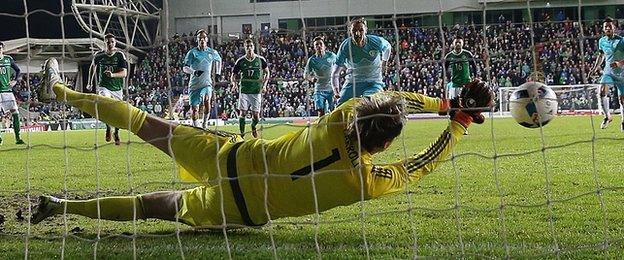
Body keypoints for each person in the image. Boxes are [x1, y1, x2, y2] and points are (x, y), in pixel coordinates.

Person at [32, 57, 492, 228]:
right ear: (387, 147)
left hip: (232, 156)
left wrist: (443, 104)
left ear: (362, 114)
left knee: (143, 122)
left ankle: (62, 92)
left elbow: (391, 99)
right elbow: (423, 164)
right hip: (241, 208)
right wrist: (460, 124)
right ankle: (60, 208)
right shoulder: (367, 181)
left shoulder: (338, 119)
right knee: (155, 207)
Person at [332, 17, 391, 105]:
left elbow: (388, 47)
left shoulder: (376, 41)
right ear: (350, 31)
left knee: (370, 103)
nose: (357, 33)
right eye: (354, 30)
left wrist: (384, 63)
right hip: (353, 83)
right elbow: (335, 73)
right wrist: (336, 92)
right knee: (340, 106)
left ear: (366, 30)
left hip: (374, 83)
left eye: (361, 30)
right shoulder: (345, 47)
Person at [90, 33, 128, 145]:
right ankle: (108, 128)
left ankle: (116, 132)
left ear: (115, 42)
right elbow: (92, 68)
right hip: (103, 86)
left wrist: (112, 75)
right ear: (104, 43)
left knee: (117, 113)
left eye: (112, 41)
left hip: (117, 88)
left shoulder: (120, 55)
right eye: (108, 42)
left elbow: (124, 73)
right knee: (105, 105)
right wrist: (89, 82)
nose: (110, 44)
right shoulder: (99, 55)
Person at [183, 29, 222, 128]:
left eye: (204, 38)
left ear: (207, 39)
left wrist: (218, 74)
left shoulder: (212, 52)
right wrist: (193, 72)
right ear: (197, 40)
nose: (202, 40)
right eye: (200, 38)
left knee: (207, 100)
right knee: (194, 108)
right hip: (194, 85)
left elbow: (219, 60)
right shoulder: (192, 53)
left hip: (206, 84)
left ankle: (205, 124)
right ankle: (196, 127)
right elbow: (185, 68)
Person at [589, 17, 624, 131]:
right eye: (605, 27)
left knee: (622, 99)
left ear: (614, 27)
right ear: (603, 29)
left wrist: (619, 63)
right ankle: (607, 116)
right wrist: (595, 68)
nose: (608, 28)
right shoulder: (602, 41)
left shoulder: (621, 40)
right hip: (608, 72)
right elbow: (601, 56)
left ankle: (623, 121)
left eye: (610, 26)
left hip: (621, 73)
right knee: (602, 90)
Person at [230, 39, 269, 138]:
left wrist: (264, 85)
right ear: (245, 47)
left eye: (251, 46)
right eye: (247, 46)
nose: (249, 48)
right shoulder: (241, 61)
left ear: (254, 47)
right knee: (243, 112)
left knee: (256, 116)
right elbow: (233, 75)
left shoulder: (260, 59)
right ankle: (242, 134)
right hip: (244, 90)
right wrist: (234, 84)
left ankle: (253, 126)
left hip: (256, 91)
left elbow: (267, 72)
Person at [444, 37, 479, 135]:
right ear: (453, 44)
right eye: (456, 42)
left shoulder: (467, 54)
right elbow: (444, 68)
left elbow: (474, 65)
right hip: (454, 84)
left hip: (466, 84)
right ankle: (454, 126)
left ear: (462, 43)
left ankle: (464, 127)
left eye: (460, 42)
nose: (458, 44)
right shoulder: (449, 56)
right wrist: (447, 77)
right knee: (453, 106)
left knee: (465, 107)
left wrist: (474, 77)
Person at [304, 36, 338, 117]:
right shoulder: (312, 60)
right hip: (319, 89)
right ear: (314, 47)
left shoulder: (332, 56)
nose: (319, 46)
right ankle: (321, 127)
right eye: (316, 45)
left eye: (320, 44)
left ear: (324, 46)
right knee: (321, 112)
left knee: (334, 112)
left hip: (331, 89)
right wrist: (311, 79)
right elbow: (305, 75)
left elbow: (340, 65)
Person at [0, 41, 25, 145]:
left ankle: (18, 138)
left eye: (0, 48)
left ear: (3, 49)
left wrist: (15, 80)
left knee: (15, 113)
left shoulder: (8, 59)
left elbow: (18, 71)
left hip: (8, 91)